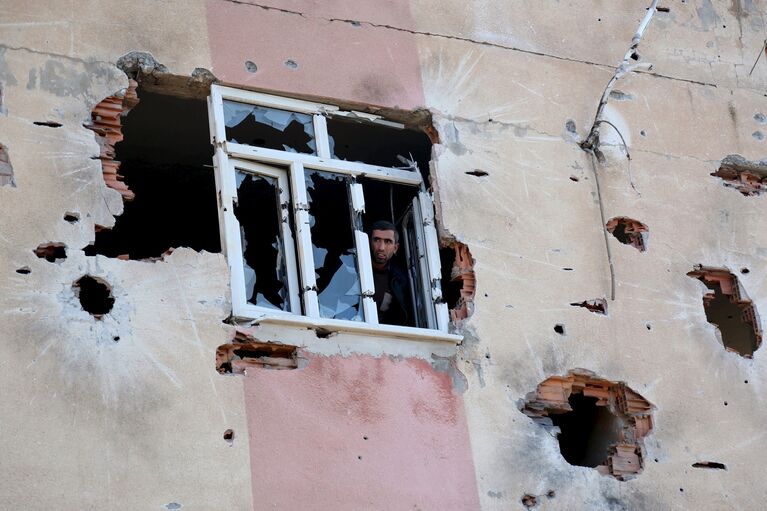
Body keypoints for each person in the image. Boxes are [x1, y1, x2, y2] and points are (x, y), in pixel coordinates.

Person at [369, 220, 411, 326]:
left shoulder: (401, 280)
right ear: (368, 242)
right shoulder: (352, 270)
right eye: (377, 240)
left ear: (395, 248)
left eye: (387, 241)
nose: (381, 248)